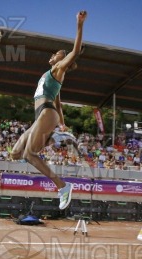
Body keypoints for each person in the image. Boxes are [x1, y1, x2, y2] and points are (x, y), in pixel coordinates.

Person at [11, 10, 87, 210]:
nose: (53, 55)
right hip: (44, 116)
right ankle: (57, 138)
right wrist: (62, 124)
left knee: (30, 154)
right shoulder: (52, 79)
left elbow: (75, 52)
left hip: (46, 112)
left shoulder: (58, 70)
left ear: (61, 61)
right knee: (15, 153)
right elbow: (59, 103)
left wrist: (79, 25)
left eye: (57, 55)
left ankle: (63, 187)